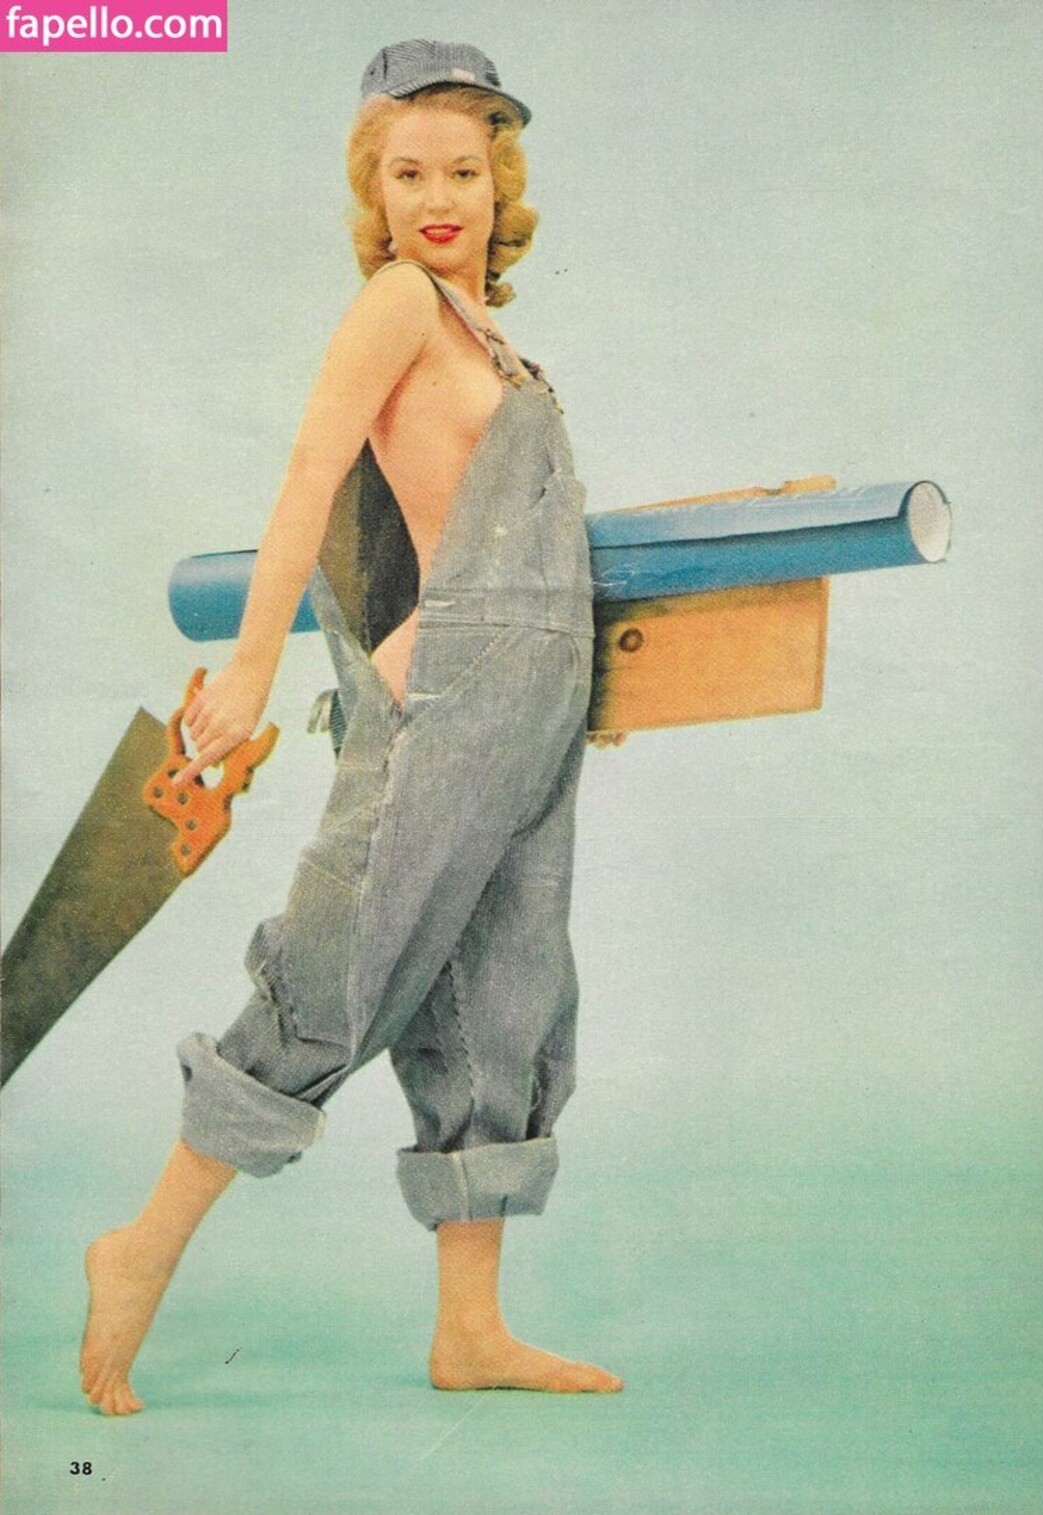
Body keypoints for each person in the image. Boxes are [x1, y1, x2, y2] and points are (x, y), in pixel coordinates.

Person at [79, 39, 624, 1416]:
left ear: (501, 185)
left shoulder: (499, 345)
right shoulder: (395, 305)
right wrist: (251, 671)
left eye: (464, 171)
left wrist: (570, 694)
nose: (438, 198)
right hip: (445, 712)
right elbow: (310, 479)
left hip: (530, 723)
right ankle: (141, 1248)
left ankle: (471, 1334)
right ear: (373, 192)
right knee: (336, 971)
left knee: (504, 1004)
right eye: (408, 173)